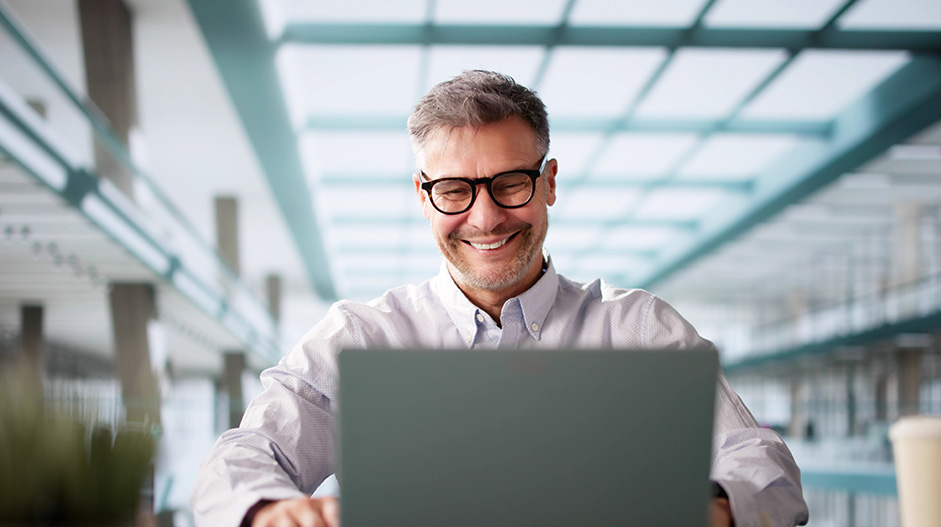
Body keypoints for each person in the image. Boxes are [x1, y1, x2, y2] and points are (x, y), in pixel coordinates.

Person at [191, 70, 809, 527]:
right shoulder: (358, 336)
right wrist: (271, 511)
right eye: (456, 190)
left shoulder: (638, 328)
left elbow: (761, 459)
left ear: (549, 182)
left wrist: (720, 508)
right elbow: (244, 454)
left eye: (510, 184)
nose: (485, 218)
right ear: (423, 194)